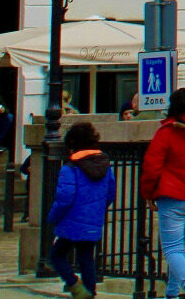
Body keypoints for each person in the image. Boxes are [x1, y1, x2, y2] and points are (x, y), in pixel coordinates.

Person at [143, 88, 185, 299]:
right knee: (179, 248)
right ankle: (171, 294)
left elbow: (151, 166)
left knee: (172, 249)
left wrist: (149, 193)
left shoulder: (167, 132)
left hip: (172, 195)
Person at [49, 120, 115, 299]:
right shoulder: (105, 165)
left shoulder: (70, 168)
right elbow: (110, 194)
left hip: (70, 221)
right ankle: (90, 292)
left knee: (56, 256)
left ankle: (75, 286)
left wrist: (53, 217)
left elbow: (64, 198)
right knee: (86, 258)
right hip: (93, 220)